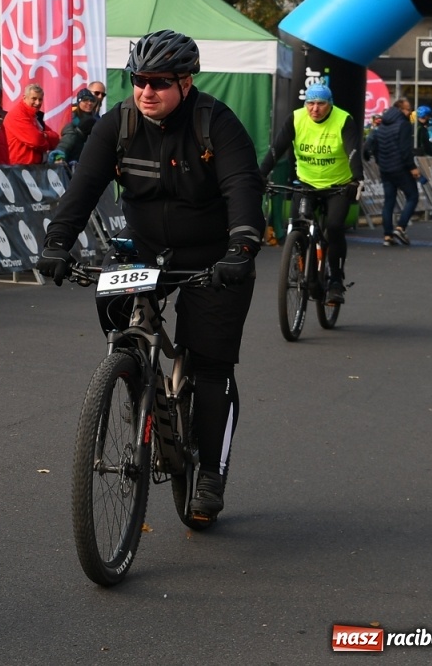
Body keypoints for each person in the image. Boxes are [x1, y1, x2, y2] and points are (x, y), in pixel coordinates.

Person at [36, 29, 263, 524]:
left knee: (210, 366)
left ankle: (210, 473)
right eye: (138, 80)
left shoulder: (215, 124)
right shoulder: (117, 125)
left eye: (159, 82)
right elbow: (83, 188)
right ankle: (134, 376)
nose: (146, 91)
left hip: (213, 258)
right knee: (115, 315)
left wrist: (242, 248)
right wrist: (56, 242)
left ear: (186, 82)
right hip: (145, 252)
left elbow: (242, 188)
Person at [259, 83, 361, 304]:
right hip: (307, 184)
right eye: (310, 103)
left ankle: (336, 280)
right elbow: (277, 148)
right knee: (298, 226)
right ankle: (306, 271)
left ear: (330, 104)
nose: (315, 109)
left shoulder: (343, 120)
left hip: (337, 186)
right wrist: (261, 174)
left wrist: (356, 178)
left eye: (320, 104)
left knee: (334, 227)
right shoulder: (296, 118)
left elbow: (353, 151)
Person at [363, 97, 420, 245]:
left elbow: (375, 146)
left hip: (385, 168)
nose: (410, 112)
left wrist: (379, 161)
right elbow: (405, 149)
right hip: (400, 168)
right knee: (413, 196)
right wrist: (412, 167)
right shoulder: (404, 125)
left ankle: (387, 236)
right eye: (408, 109)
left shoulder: (382, 125)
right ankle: (401, 228)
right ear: (400, 109)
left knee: (389, 201)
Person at [3, 83, 61, 164]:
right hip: (20, 167)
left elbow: (56, 138)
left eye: (40, 99)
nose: (37, 103)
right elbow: (36, 141)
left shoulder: (33, 115)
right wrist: (46, 140)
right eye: (34, 99)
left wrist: (45, 135)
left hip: (31, 166)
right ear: (24, 98)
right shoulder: (18, 114)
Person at [55, 88, 101, 164]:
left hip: (92, 161)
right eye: (85, 100)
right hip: (74, 161)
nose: (89, 103)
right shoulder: (72, 118)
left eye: (91, 100)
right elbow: (67, 140)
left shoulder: (97, 119)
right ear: (79, 101)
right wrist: (59, 155)